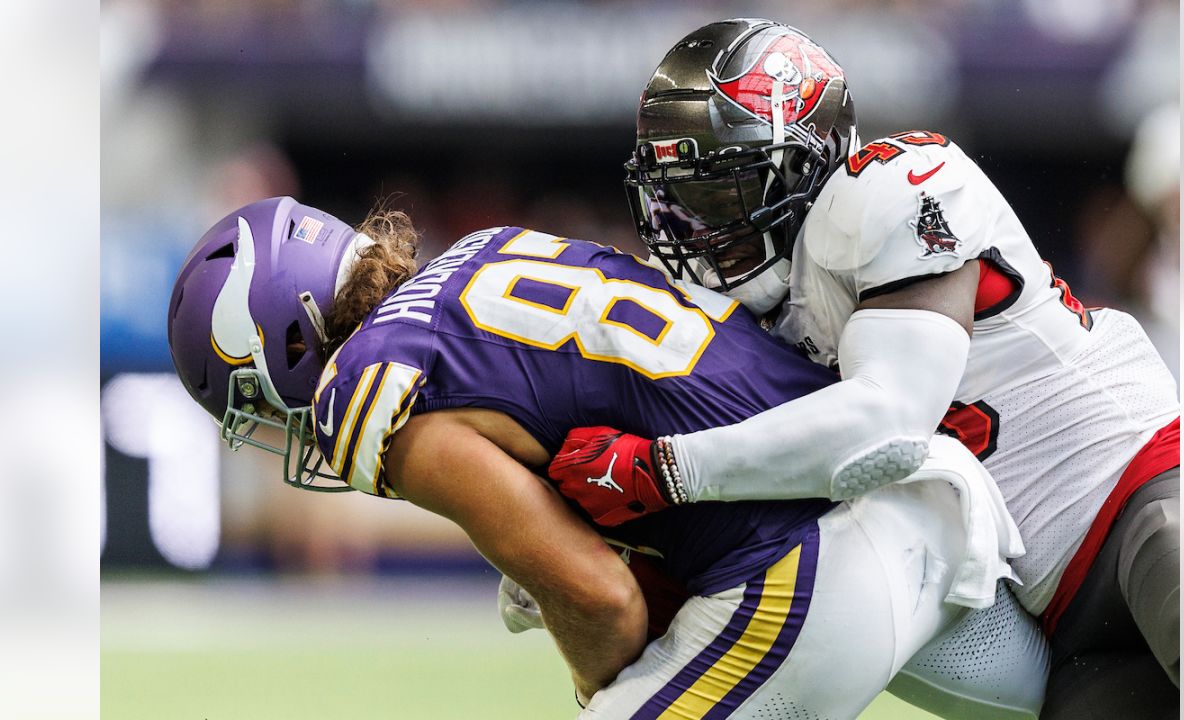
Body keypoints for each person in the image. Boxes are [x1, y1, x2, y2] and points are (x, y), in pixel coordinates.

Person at [168, 197, 1045, 718]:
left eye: (251, 396)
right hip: (919, 497)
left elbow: (599, 597)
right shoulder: (488, 251)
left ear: (282, 338)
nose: (274, 422)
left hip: (809, 569)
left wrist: (598, 679)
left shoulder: (384, 396)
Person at [545, 18, 1180, 719]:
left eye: (722, 193)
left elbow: (889, 417)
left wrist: (667, 469)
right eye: (677, 198)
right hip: (1061, 617)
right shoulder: (748, 313)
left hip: (1145, 495)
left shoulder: (890, 187)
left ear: (805, 161)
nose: (695, 227)